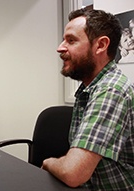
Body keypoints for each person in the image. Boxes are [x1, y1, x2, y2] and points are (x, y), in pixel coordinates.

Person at [41, 8, 134, 190]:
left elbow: (73, 173)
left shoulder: (111, 90)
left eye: (71, 40)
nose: (60, 47)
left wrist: (48, 162)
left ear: (100, 45)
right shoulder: (90, 88)